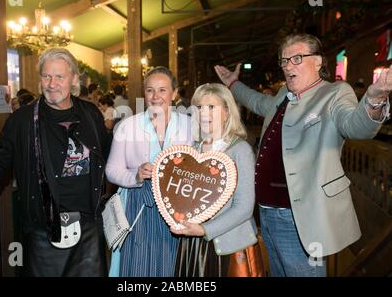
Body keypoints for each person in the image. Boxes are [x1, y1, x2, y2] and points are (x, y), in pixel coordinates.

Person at [214, 33, 391, 277]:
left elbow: (355, 126)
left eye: (296, 58)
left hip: (299, 219)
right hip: (266, 212)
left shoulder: (334, 93)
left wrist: (374, 99)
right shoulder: (282, 96)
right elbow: (257, 102)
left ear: (318, 61)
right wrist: (233, 84)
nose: (288, 66)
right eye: (284, 61)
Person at [0, 47, 109, 277]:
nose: (52, 83)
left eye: (59, 76)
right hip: (43, 227)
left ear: (74, 79)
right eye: (46, 76)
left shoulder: (90, 113)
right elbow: (1, 159)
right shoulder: (23, 119)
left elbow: (107, 156)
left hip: (88, 225)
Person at [105, 66, 193, 277]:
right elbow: (111, 170)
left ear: (174, 93)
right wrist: (135, 175)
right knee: (138, 268)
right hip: (138, 208)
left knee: (173, 268)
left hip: (177, 209)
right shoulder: (128, 126)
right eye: (150, 90)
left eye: (163, 90)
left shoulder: (190, 125)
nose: (156, 96)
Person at [170, 83, 259, 277]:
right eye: (200, 107)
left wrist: (205, 229)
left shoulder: (240, 150)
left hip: (231, 246)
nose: (204, 113)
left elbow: (244, 207)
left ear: (226, 112)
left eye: (212, 107)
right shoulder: (191, 150)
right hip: (193, 245)